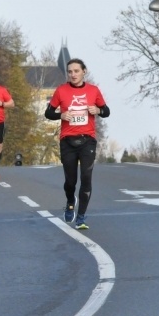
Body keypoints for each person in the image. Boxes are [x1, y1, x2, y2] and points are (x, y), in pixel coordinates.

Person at [44, 58, 110, 230]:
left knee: (86, 177)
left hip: (87, 139)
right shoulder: (61, 90)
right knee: (70, 181)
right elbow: (48, 113)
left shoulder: (93, 90)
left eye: (76, 71)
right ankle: (70, 201)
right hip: (67, 141)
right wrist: (61, 115)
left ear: (84, 71)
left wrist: (98, 110)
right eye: (70, 71)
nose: (73, 74)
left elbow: (106, 111)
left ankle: (81, 217)